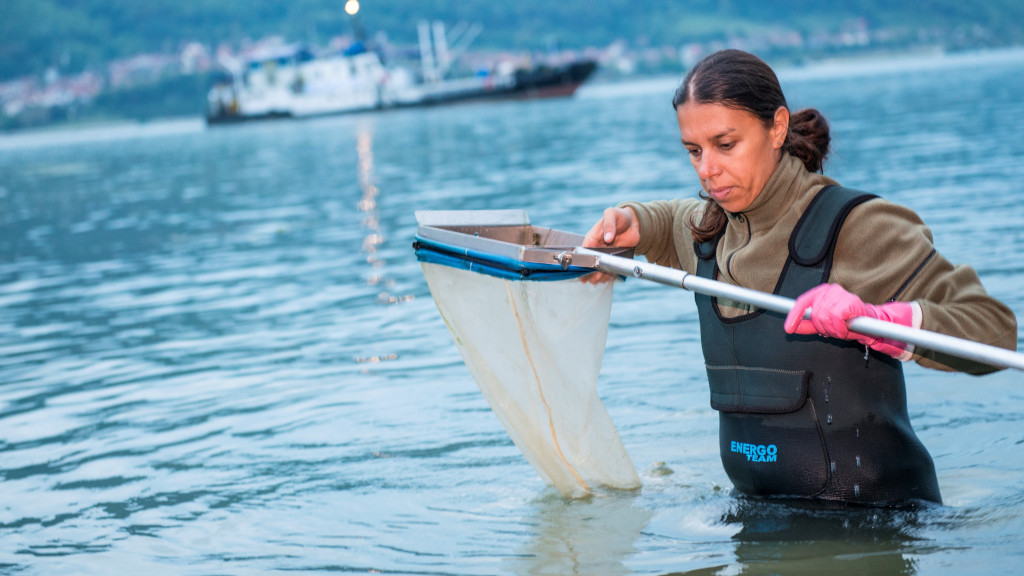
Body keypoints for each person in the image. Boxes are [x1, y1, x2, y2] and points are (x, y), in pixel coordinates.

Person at [583, 49, 1017, 507]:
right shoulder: (708, 233)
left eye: (725, 145)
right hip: (757, 523)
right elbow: (669, 218)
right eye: (694, 150)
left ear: (777, 127)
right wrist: (632, 222)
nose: (707, 169)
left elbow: (996, 334)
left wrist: (880, 319)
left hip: (878, 529)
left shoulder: (859, 226)